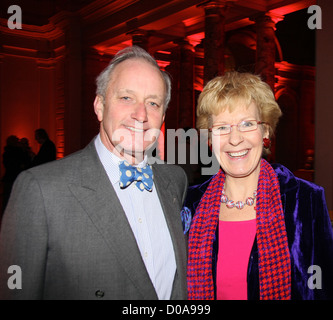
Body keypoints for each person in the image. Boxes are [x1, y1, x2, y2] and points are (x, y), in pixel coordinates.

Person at [0, 46, 188, 300]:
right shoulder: (41, 190)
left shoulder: (174, 181)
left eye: (152, 103)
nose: (141, 114)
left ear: (162, 116)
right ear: (99, 105)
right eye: (126, 98)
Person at [181, 71, 333, 300]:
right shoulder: (189, 204)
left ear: (266, 131)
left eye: (247, 124)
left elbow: (324, 289)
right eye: (222, 127)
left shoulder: (304, 200)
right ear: (209, 139)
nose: (234, 139)